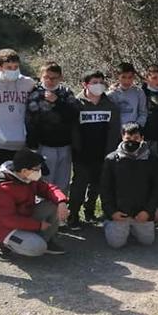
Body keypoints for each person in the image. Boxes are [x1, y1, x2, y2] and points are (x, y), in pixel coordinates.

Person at [0, 149, 70, 261]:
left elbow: (48, 189)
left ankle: (45, 240)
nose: (39, 171)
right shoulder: (2, 189)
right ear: (24, 171)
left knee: (54, 204)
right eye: (37, 169)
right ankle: (0, 242)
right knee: (37, 248)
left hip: (25, 216)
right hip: (4, 228)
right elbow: (8, 220)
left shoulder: (28, 177)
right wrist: (38, 225)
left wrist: (61, 202)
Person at [68, 70, 121, 228]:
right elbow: (73, 131)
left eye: (100, 82)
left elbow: (114, 131)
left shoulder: (111, 105)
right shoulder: (76, 104)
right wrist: (77, 151)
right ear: (85, 84)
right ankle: (73, 215)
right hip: (82, 154)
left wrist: (110, 153)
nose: (98, 86)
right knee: (78, 186)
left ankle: (90, 212)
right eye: (94, 82)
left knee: (97, 186)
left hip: (103, 154)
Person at [101, 123, 158, 248]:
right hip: (120, 212)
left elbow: (157, 187)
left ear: (142, 138)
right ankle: (108, 223)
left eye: (136, 138)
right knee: (116, 244)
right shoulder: (111, 159)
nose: (132, 142)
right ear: (122, 137)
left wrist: (148, 211)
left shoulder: (152, 160)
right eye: (128, 139)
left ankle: (132, 228)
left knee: (147, 241)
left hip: (142, 212)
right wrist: (112, 212)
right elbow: (105, 188)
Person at [25, 62, 78, 193]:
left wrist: (57, 102)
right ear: (41, 76)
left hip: (65, 146)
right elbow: (31, 121)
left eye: (53, 78)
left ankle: (60, 212)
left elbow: (74, 115)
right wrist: (32, 147)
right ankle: (45, 213)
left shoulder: (66, 93)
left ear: (60, 78)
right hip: (44, 146)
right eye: (46, 77)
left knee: (62, 184)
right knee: (45, 183)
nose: (49, 81)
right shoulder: (35, 94)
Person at [108, 62, 147, 127]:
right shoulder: (111, 95)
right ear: (117, 76)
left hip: (134, 132)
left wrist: (136, 126)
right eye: (123, 77)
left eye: (130, 77)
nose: (127, 81)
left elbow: (143, 113)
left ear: (134, 77)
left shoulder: (139, 92)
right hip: (116, 132)